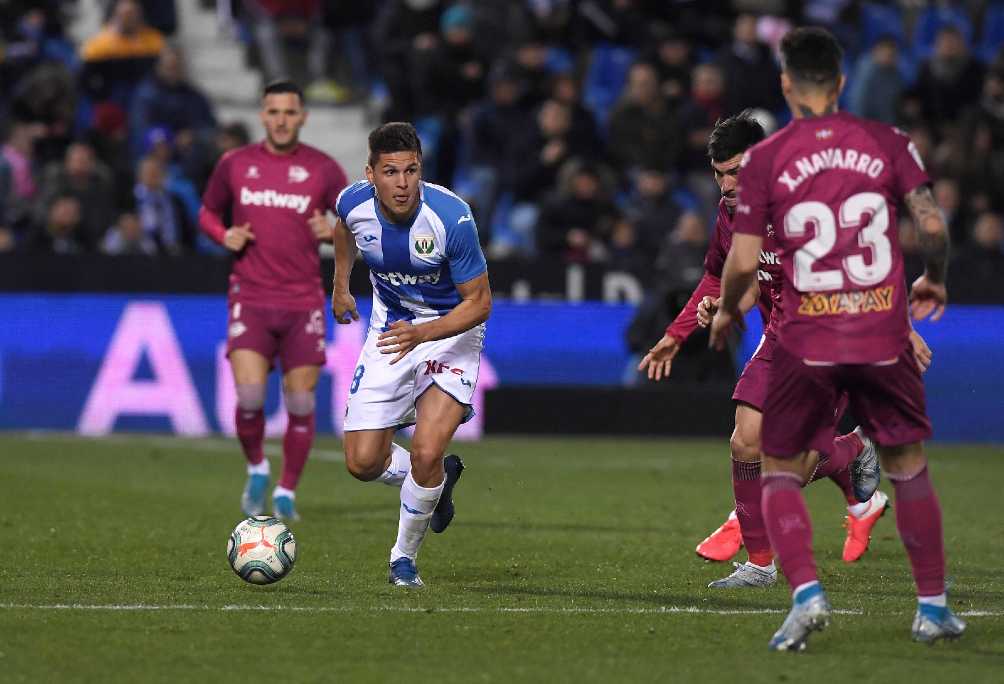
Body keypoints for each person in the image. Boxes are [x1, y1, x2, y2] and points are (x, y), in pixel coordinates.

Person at [710, 27, 963, 650]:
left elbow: (743, 260)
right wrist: (933, 281)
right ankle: (932, 608)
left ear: (788, 85)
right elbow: (932, 223)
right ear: (843, 83)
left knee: (779, 465)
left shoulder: (769, 160)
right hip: (877, 327)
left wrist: (727, 310)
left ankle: (805, 599)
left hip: (807, 333)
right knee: (907, 465)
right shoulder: (888, 144)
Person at [640, 111, 914, 588]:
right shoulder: (731, 211)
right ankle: (762, 564)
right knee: (745, 439)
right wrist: (690, 324)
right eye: (719, 174)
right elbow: (728, 275)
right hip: (780, 336)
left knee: (786, 463)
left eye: (737, 173)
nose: (726, 185)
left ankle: (843, 455)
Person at [331, 122, 491, 588]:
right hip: (391, 331)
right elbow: (342, 231)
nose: (402, 184)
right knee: (362, 462)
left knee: (425, 450)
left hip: (450, 334)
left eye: (411, 171)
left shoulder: (451, 218)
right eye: (390, 172)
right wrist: (341, 286)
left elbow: (479, 303)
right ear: (371, 175)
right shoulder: (352, 203)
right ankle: (436, 483)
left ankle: (403, 559)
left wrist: (423, 334)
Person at [199, 80, 349, 521]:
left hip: (303, 300)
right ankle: (257, 467)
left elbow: (354, 219)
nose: (282, 120)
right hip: (252, 294)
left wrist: (336, 230)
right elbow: (207, 211)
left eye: (290, 112)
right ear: (262, 116)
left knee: (301, 403)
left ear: (302, 117)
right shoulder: (235, 164)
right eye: (274, 112)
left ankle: (286, 492)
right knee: (249, 396)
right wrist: (223, 234)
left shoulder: (323, 170)